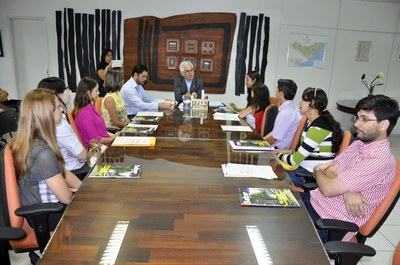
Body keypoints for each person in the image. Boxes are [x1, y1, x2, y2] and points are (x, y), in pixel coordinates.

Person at [302, 95, 398, 242]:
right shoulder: (358, 144)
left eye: (364, 119)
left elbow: (328, 188)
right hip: (313, 201)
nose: (357, 124)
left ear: (383, 124)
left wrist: (317, 169)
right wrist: (348, 190)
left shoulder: (379, 159)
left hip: (328, 223)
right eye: (357, 118)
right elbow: (330, 170)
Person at [9, 88, 81, 230]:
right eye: (58, 107)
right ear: (46, 116)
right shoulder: (43, 153)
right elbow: (66, 198)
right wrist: (78, 191)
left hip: (46, 209)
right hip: (49, 217)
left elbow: (60, 169)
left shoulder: (33, 140)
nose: (61, 110)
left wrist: (81, 186)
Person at [277, 87, 343, 187]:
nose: (299, 103)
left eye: (303, 100)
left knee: (274, 178)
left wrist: (277, 156)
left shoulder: (318, 128)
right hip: (303, 170)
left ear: (312, 104)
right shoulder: (311, 122)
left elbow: (294, 160)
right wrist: (281, 152)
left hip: (309, 175)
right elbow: (300, 152)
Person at [37, 77, 89, 180]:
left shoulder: (57, 120)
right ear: (58, 95)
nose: (68, 92)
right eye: (66, 88)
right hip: (75, 171)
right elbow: (83, 156)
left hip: (68, 169)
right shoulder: (59, 126)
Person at [72, 77, 118, 148]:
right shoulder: (84, 113)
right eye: (96, 90)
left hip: (105, 145)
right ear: (88, 93)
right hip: (100, 149)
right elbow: (97, 139)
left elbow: (103, 132)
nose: (99, 93)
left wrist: (117, 136)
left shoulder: (90, 107)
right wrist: (114, 137)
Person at [264, 79, 301, 149]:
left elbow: (272, 140)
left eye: (277, 89)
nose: (275, 91)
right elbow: (274, 132)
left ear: (281, 94)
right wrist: (261, 140)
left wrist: (258, 143)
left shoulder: (285, 113)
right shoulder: (294, 109)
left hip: (277, 150)